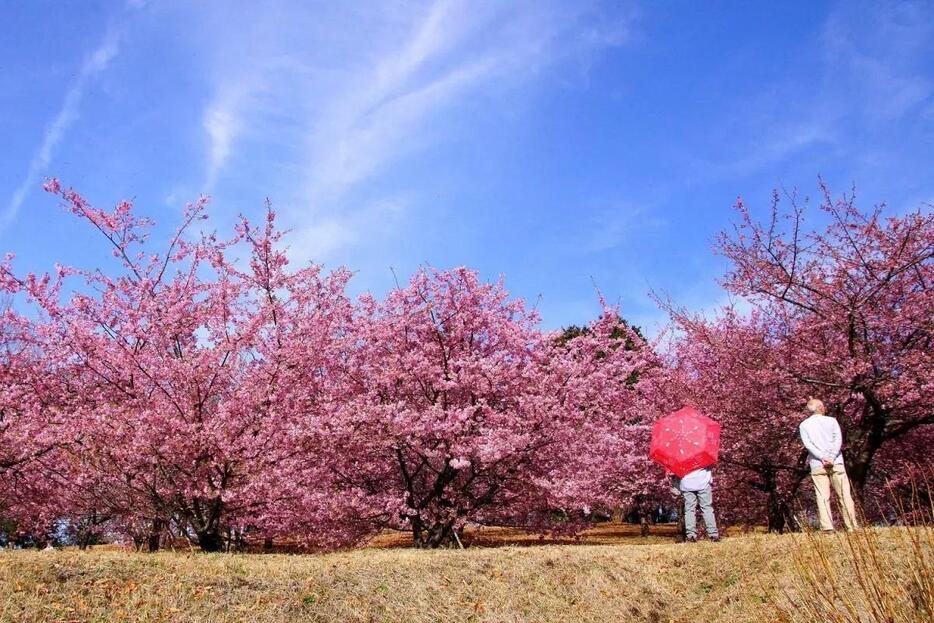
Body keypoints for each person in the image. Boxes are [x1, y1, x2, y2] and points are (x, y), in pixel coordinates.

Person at [799, 398, 858, 531]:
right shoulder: (832, 421)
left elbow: (808, 445)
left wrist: (822, 457)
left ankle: (827, 528)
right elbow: (838, 439)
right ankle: (852, 526)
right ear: (820, 407)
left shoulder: (804, 425)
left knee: (822, 496)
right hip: (836, 462)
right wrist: (831, 456)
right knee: (844, 495)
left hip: (817, 463)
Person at [671, 466, 719, 543]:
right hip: (703, 482)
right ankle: (713, 535)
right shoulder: (703, 454)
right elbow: (711, 464)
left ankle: (691, 536)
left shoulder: (682, 456)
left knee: (689, 510)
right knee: (707, 508)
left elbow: (677, 470)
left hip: (687, 483)